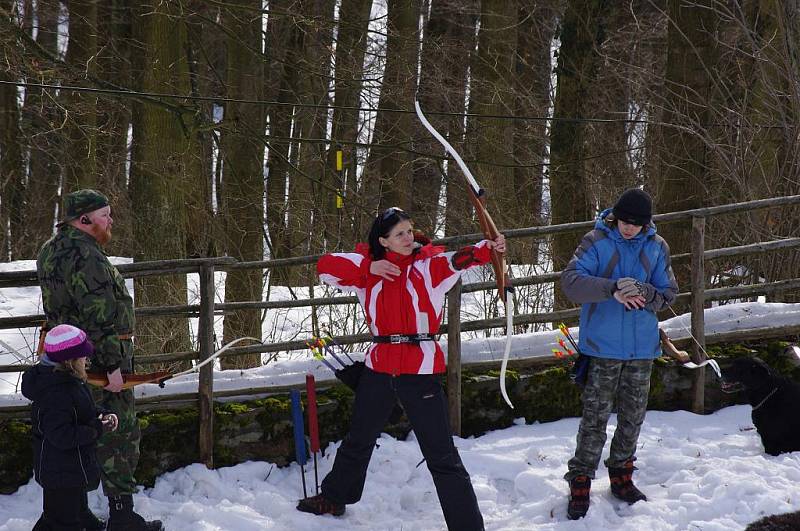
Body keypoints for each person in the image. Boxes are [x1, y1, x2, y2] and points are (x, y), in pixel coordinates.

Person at [297, 206, 504, 530]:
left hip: (419, 372)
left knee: (442, 456)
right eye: (399, 234)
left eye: (409, 230)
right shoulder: (367, 272)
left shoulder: (426, 266)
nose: (408, 238)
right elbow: (325, 267)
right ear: (384, 240)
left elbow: (456, 260)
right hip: (379, 369)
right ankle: (335, 498)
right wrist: (369, 268)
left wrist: (486, 250)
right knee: (359, 439)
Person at [37, 189, 164, 531]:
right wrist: (113, 368)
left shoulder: (49, 250)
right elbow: (99, 313)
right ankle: (122, 516)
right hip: (99, 358)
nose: (111, 221)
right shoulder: (85, 255)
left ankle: (77, 512)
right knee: (117, 431)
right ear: (84, 220)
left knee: (82, 426)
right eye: (105, 215)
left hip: (66, 357)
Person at [560, 188, 678, 520]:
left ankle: (622, 475)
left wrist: (645, 291)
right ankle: (581, 478)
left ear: (646, 223)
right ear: (616, 216)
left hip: (642, 347)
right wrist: (611, 288)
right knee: (595, 416)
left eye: (636, 224)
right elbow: (570, 282)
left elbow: (669, 292)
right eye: (625, 221)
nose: (629, 228)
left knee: (632, 416)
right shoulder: (596, 240)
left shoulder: (657, 247)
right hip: (602, 346)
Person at [22, 324, 119, 530]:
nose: (87, 360)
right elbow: (61, 436)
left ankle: (90, 525)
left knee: (73, 511)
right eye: (83, 357)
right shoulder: (56, 393)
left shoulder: (69, 382)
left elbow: (80, 410)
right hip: (60, 471)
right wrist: (96, 429)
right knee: (61, 521)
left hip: (68, 469)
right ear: (69, 361)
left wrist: (99, 413)